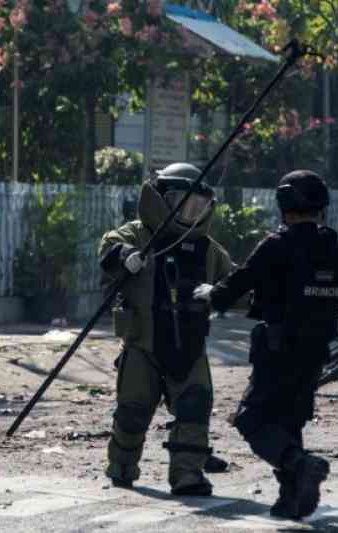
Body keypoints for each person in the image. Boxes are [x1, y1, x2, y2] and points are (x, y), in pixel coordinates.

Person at [193, 170, 338, 518]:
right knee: (289, 422)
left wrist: (208, 294)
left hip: (279, 349)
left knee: (252, 420)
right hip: (315, 352)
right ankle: (291, 498)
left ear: (284, 203)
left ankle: (300, 464)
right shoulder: (331, 245)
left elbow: (238, 282)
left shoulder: (277, 244)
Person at [99, 162, 234, 496]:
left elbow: (235, 284)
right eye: (180, 202)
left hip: (190, 347)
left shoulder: (210, 250)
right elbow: (108, 250)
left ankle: (188, 474)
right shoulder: (137, 235)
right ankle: (122, 465)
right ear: (158, 199)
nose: (188, 213)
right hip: (142, 344)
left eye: (196, 206)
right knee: (133, 409)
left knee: (195, 405)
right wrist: (125, 257)